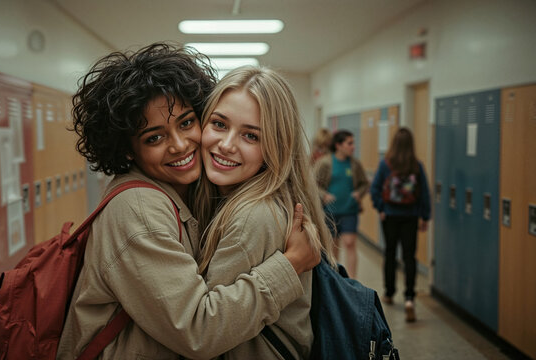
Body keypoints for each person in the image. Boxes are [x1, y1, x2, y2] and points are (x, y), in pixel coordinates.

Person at [57, 43, 320, 359]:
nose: (180, 145)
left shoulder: (227, 204)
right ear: (128, 150)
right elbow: (199, 330)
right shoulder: (139, 209)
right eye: (154, 137)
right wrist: (289, 267)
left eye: (185, 123)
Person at [193, 66, 335, 359]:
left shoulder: (253, 217)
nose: (227, 145)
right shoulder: (245, 199)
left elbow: (207, 332)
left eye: (251, 136)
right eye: (219, 124)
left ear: (276, 147)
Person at [370, 127, 431, 322]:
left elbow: (375, 189)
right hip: (410, 216)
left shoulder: (386, 164)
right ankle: (410, 298)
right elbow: (424, 194)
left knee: (390, 253)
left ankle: (388, 292)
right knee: (409, 257)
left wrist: (381, 207)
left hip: (390, 216)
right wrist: (424, 216)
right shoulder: (416, 166)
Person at [313, 130, 368, 278]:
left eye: (353, 143)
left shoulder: (355, 164)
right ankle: (337, 279)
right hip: (330, 212)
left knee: (350, 243)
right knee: (333, 247)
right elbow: (312, 184)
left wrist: (359, 193)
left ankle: (352, 281)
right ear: (338, 145)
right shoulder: (325, 163)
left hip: (350, 210)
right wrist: (324, 195)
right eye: (349, 143)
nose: (353, 147)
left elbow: (364, 183)